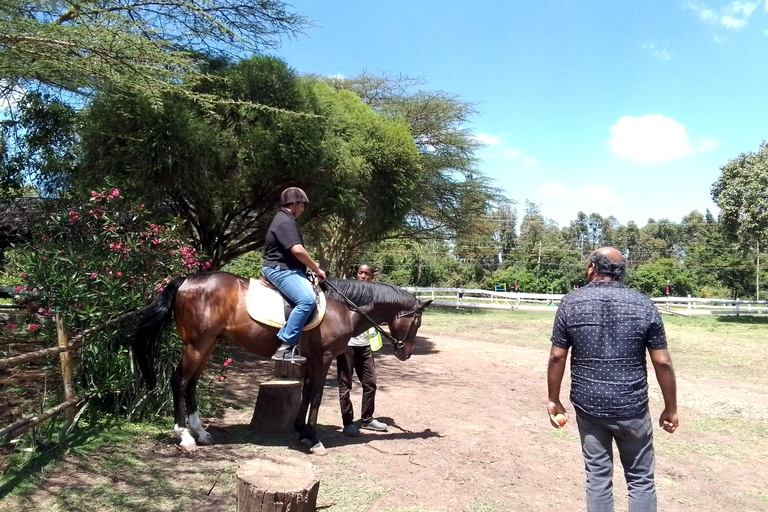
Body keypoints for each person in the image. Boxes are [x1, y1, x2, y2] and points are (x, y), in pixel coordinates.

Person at [547, 247, 678, 512]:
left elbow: (557, 357)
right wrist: (671, 408)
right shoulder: (643, 304)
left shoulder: (570, 303)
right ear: (620, 272)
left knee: (597, 478)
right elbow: (662, 361)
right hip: (632, 407)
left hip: (589, 406)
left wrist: (553, 399)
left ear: (592, 268)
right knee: (641, 480)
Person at [262, 187, 326, 364]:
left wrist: (310, 267)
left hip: (288, 268)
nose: (304, 210)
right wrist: (316, 269)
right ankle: (285, 346)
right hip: (280, 269)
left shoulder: (286, 220)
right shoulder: (285, 221)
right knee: (307, 300)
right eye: (303, 205)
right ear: (296, 204)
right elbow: (297, 250)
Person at [337, 264, 388, 437]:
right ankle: (348, 423)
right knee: (345, 385)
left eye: (367, 273)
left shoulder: (374, 295)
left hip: (365, 347)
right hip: (347, 346)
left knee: (370, 383)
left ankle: (367, 419)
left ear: (372, 276)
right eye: (360, 273)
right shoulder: (349, 292)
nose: (363, 276)